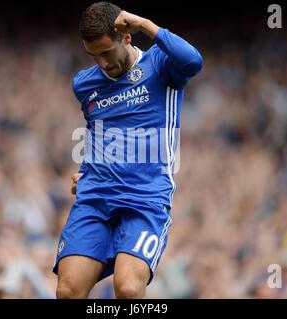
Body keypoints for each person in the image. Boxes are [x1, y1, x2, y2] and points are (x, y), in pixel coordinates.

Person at [53, 1, 203, 299]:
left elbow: (194, 61)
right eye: (93, 55)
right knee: (68, 291)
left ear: (127, 37)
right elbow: (98, 132)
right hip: (96, 196)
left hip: (144, 197)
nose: (102, 63)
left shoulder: (161, 66)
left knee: (128, 288)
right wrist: (84, 171)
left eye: (106, 52)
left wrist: (146, 24)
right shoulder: (84, 84)